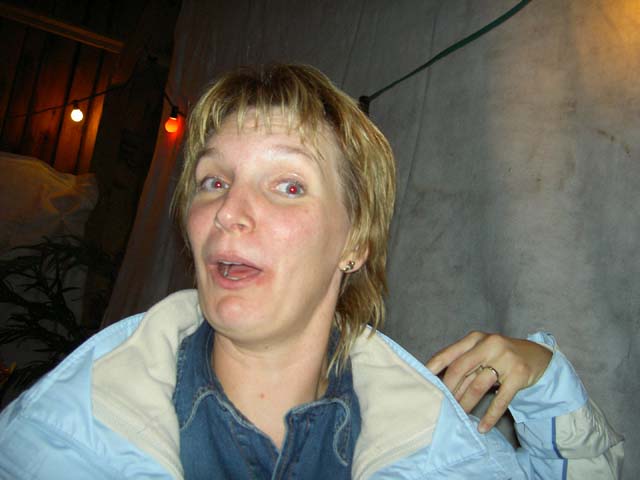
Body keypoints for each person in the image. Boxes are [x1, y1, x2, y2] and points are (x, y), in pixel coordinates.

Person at [0, 64, 623, 479]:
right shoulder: (57, 439)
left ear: (354, 243)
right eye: (213, 180)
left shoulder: (432, 444)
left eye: (289, 185)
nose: (229, 211)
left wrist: (545, 384)